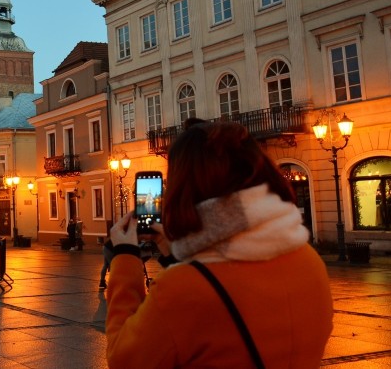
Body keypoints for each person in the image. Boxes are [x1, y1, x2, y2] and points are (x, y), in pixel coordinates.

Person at [106, 121, 333, 368]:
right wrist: (175, 254)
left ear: (185, 187)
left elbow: (123, 359)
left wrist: (126, 256)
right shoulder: (309, 260)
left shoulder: (182, 288)